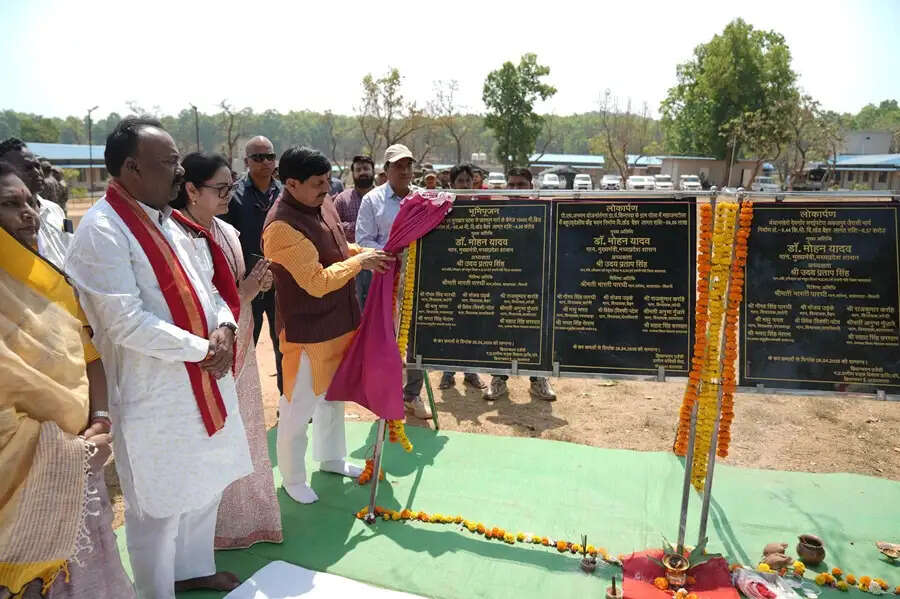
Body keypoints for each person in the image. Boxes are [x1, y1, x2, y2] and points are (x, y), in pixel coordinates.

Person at [65, 117, 253, 598]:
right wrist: (203, 349)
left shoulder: (168, 220)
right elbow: (123, 322)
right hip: (152, 393)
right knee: (159, 506)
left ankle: (191, 570)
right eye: (169, 163)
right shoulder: (102, 230)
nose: (179, 171)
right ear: (131, 168)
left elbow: (207, 289)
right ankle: (157, 591)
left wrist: (226, 327)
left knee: (204, 486)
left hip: (202, 379)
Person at [0, 163, 135, 599]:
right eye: (9, 204)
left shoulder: (49, 280)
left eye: (29, 203)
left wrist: (99, 418)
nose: (29, 215)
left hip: (83, 461)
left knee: (93, 566)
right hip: (25, 484)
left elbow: (88, 350)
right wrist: (68, 451)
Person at [262, 146, 394, 504]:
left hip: (340, 322)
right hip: (307, 333)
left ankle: (332, 459)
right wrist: (361, 262)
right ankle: (292, 477)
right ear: (291, 183)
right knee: (298, 408)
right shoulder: (281, 227)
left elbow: (336, 248)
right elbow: (316, 280)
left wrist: (361, 253)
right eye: (318, 183)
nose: (327, 188)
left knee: (332, 400)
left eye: (327, 181)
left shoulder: (322, 202)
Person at [172, 152, 283, 549]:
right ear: (190, 190)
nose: (228, 195)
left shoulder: (227, 232)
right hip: (205, 354)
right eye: (220, 188)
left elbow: (235, 291)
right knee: (209, 438)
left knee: (243, 430)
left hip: (242, 340)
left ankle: (245, 520)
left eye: (230, 187)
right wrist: (245, 293)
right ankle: (203, 538)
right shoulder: (174, 237)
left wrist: (255, 289)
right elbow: (193, 307)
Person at [357, 144, 434, 419]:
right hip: (384, 280)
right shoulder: (372, 201)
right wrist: (392, 252)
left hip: (418, 279)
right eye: (398, 166)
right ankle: (386, 395)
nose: (404, 171)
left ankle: (412, 395)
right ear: (386, 170)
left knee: (416, 337)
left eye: (408, 165)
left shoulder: (425, 200)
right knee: (385, 338)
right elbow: (363, 240)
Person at [483, 167, 556, 401]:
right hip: (502, 282)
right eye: (511, 185)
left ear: (531, 187)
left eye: (521, 185)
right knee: (501, 330)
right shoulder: (496, 212)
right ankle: (498, 379)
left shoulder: (545, 212)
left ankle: (538, 379)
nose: (515, 189)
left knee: (536, 331)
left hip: (535, 283)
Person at [222, 136, 284, 394]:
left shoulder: (285, 194)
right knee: (246, 346)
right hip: (247, 285)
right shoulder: (233, 196)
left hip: (282, 283)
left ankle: (287, 400)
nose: (265, 162)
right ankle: (237, 403)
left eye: (269, 156)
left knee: (284, 344)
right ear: (247, 162)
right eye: (258, 158)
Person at [435, 163, 487, 393]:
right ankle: (448, 372)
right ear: (451, 185)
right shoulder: (442, 208)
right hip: (450, 275)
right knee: (452, 323)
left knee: (472, 324)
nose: (465, 185)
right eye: (460, 182)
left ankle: (470, 371)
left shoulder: (482, 207)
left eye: (468, 181)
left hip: (475, 275)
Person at [0, 138, 69, 268]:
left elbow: (70, 239)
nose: (37, 172)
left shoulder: (56, 209)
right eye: (27, 167)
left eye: (37, 166)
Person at [334, 155, 376, 305]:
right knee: (354, 307)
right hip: (351, 263)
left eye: (366, 169)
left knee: (376, 307)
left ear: (373, 171)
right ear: (353, 174)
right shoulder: (342, 199)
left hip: (379, 262)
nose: (362, 172)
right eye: (358, 169)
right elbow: (335, 229)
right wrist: (362, 226)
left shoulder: (382, 199)